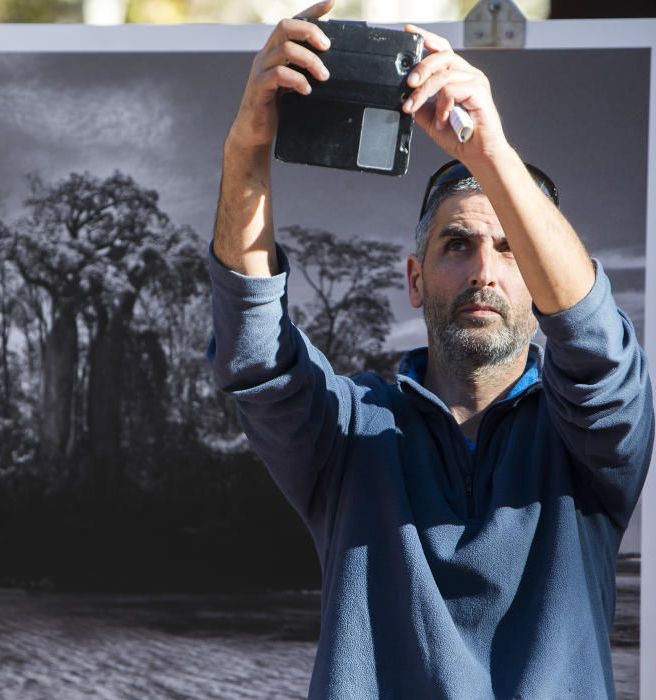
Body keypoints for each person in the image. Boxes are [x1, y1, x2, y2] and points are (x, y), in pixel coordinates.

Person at [207, 1, 654, 697]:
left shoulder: (594, 444)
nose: (482, 270)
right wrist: (245, 150)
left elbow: (594, 348)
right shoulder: (350, 432)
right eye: (457, 245)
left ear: (538, 274)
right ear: (414, 280)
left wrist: (488, 152)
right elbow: (254, 356)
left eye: (509, 248)